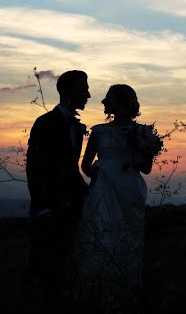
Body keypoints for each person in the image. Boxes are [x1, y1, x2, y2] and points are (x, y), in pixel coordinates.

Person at [75, 84, 153, 302]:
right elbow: (85, 165)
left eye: (108, 97)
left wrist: (135, 156)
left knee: (128, 238)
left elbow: (146, 168)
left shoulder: (141, 133)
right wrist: (101, 173)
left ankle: (125, 292)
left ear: (121, 102)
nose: (103, 101)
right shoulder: (98, 131)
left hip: (129, 193)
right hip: (103, 191)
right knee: (100, 232)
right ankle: (97, 291)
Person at [25, 69, 91, 298]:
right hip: (50, 208)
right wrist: (43, 207)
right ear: (69, 91)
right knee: (45, 269)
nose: (88, 95)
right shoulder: (45, 123)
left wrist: (87, 194)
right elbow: (35, 168)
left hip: (71, 206)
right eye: (84, 89)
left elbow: (71, 169)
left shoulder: (76, 127)